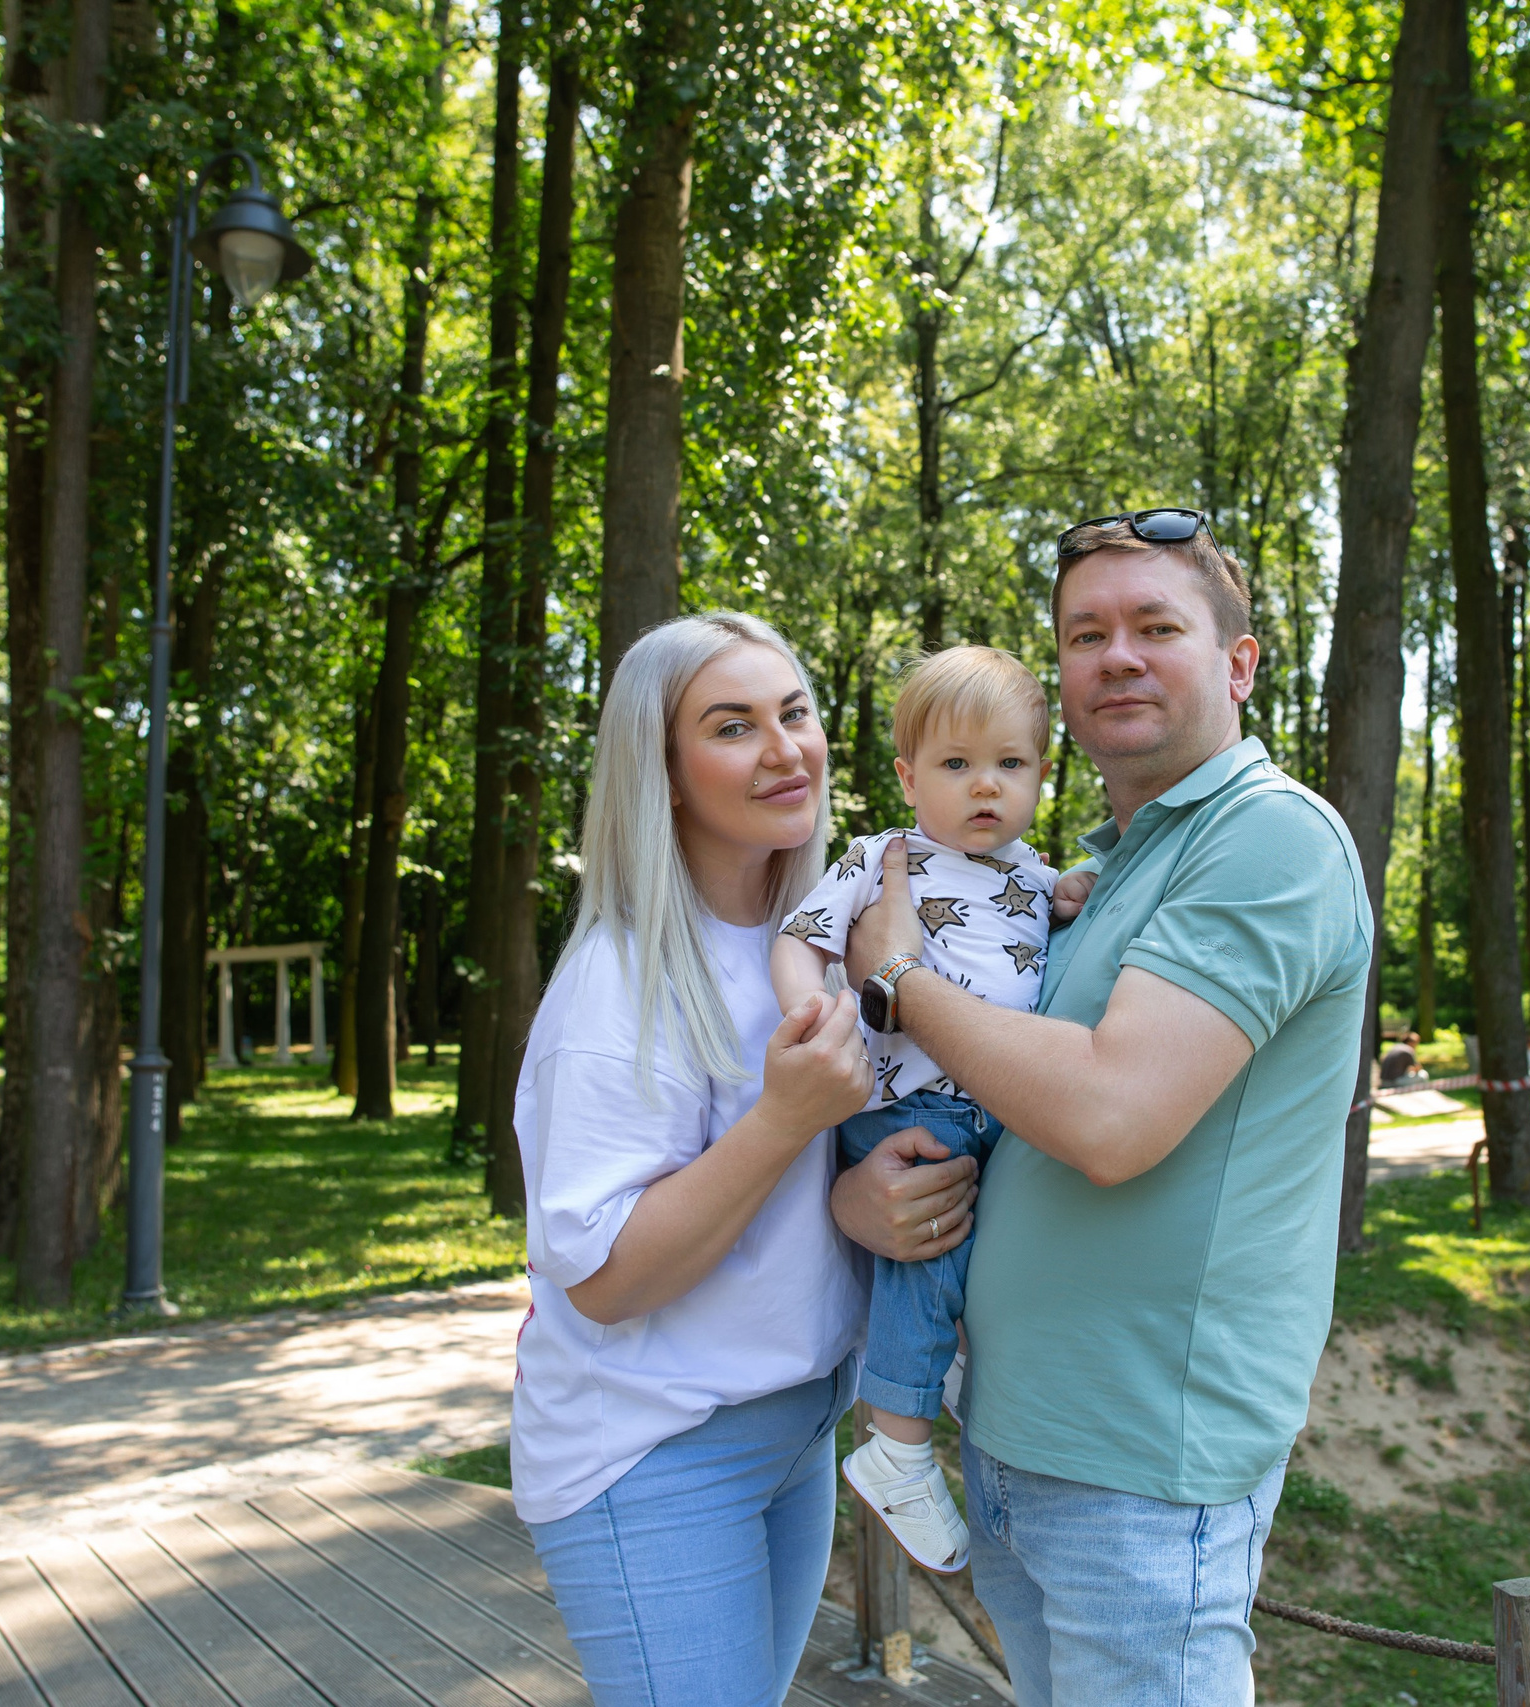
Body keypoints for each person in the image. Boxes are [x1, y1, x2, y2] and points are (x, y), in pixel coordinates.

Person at [846, 508, 1373, 1703]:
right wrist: (865, 1192)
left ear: (1237, 663)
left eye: (1155, 626)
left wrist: (897, 976)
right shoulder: (1102, 865)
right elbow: (1003, 1096)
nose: (1117, 655)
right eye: (1086, 635)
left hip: (1140, 1467)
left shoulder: (1267, 839)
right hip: (1014, 1439)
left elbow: (1109, 1119)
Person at [507, 612, 975, 1706]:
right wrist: (782, 1122)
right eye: (732, 727)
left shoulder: (829, 935)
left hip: (797, 1425)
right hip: (658, 1453)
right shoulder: (616, 985)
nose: (786, 749)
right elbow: (609, 1278)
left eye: (795, 713)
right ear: (662, 773)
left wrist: (854, 1195)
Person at [770, 645, 1083, 1572]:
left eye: (1010, 765)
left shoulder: (1033, 875)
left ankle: (932, 1369)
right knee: (932, 1240)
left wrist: (1068, 900)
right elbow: (803, 938)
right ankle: (898, 1445)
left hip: (997, 1104)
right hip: (914, 1103)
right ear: (909, 777)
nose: (984, 786)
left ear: (1040, 773)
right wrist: (812, 1012)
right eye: (956, 764)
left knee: (988, 1239)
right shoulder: (884, 858)